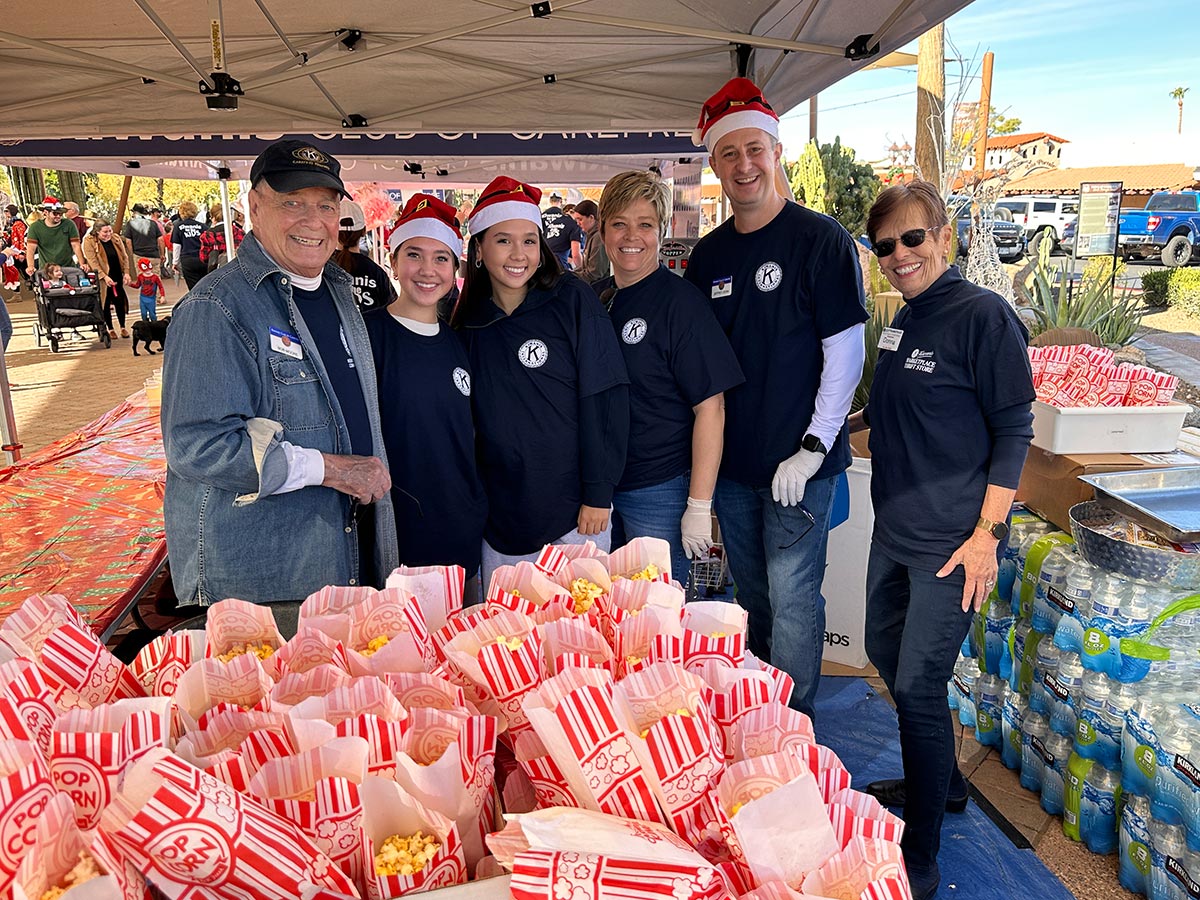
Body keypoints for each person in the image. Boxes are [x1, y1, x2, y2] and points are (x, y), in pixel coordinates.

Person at [846, 181, 1034, 900]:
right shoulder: (904, 319)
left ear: (944, 237)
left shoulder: (983, 316)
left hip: (953, 545)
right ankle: (946, 782)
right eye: (885, 245)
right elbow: (886, 406)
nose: (900, 254)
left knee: (919, 686)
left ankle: (919, 855)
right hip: (895, 530)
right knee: (884, 651)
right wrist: (827, 430)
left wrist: (987, 534)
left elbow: (1013, 430)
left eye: (913, 238)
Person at [683, 77, 868, 722]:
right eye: (729, 154)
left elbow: (845, 352)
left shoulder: (821, 241)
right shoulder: (708, 257)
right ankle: (760, 714)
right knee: (755, 599)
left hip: (800, 466)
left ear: (776, 151)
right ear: (715, 164)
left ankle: (794, 732)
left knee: (793, 602)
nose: (744, 166)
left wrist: (815, 445)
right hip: (735, 469)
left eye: (754, 150)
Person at [161, 138, 399, 605]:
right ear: (254, 207)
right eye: (292, 203)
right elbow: (198, 444)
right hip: (264, 577)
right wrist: (330, 470)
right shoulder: (216, 306)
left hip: (339, 555)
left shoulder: (337, 289)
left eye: (326, 206)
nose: (313, 221)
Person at [452, 176, 629, 590]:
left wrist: (598, 492)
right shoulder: (467, 324)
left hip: (575, 515)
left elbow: (605, 396)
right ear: (479, 249)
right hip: (503, 521)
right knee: (509, 626)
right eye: (503, 241)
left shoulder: (571, 300)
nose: (519, 254)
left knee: (579, 623)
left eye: (529, 241)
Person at [590, 172, 743, 587]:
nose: (631, 236)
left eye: (645, 224)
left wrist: (699, 505)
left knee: (657, 610)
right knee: (601, 605)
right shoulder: (594, 299)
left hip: (659, 490)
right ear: (602, 230)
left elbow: (712, 407)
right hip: (598, 492)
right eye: (619, 223)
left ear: (662, 230)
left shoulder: (681, 304)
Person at [365, 194, 488, 601]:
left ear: (455, 269)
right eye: (414, 255)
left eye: (441, 258)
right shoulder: (368, 336)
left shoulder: (457, 342)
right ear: (394, 261)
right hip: (398, 533)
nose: (427, 270)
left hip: (459, 526)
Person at [333, 199, 397, 311]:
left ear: (333, 232)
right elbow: (393, 308)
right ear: (363, 231)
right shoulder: (376, 272)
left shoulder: (321, 268)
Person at [82, 218, 133, 339]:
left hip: (116, 273)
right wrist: (104, 276)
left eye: (110, 231)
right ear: (97, 232)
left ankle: (122, 326)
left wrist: (126, 272)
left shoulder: (115, 238)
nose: (108, 234)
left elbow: (124, 256)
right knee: (105, 301)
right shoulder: (89, 241)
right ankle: (110, 328)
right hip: (102, 276)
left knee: (119, 300)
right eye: (105, 232)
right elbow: (93, 262)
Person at [25, 196, 83, 275]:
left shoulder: (69, 224)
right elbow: (31, 249)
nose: (58, 216)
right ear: (46, 212)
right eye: (55, 213)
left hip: (68, 268)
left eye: (60, 214)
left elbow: (76, 246)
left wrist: (82, 264)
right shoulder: (35, 227)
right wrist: (30, 266)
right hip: (47, 270)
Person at [540, 191, 583, 271]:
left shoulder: (552, 221)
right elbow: (576, 255)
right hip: (559, 265)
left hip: (544, 263)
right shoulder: (574, 225)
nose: (580, 222)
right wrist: (582, 270)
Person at [198, 203, 245, 272]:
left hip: (218, 271)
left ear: (213, 218)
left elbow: (204, 257)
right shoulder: (240, 232)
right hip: (238, 268)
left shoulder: (208, 235)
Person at [571, 199, 610, 283]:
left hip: (598, 286)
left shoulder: (598, 238)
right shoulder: (591, 235)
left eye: (580, 219)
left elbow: (595, 272)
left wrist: (571, 278)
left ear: (591, 218)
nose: (578, 223)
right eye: (576, 220)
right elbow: (585, 267)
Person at [171, 201, 207, 290]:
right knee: (205, 283)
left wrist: (175, 262)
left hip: (187, 259)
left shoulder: (178, 226)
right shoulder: (203, 226)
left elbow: (177, 246)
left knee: (193, 287)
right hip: (202, 258)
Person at [123, 203, 166, 273]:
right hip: (154, 254)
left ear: (135, 213)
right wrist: (162, 254)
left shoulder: (131, 224)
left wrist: (132, 253)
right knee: (155, 276)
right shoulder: (153, 223)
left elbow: (128, 241)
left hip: (139, 255)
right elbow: (161, 240)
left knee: (142, 277)